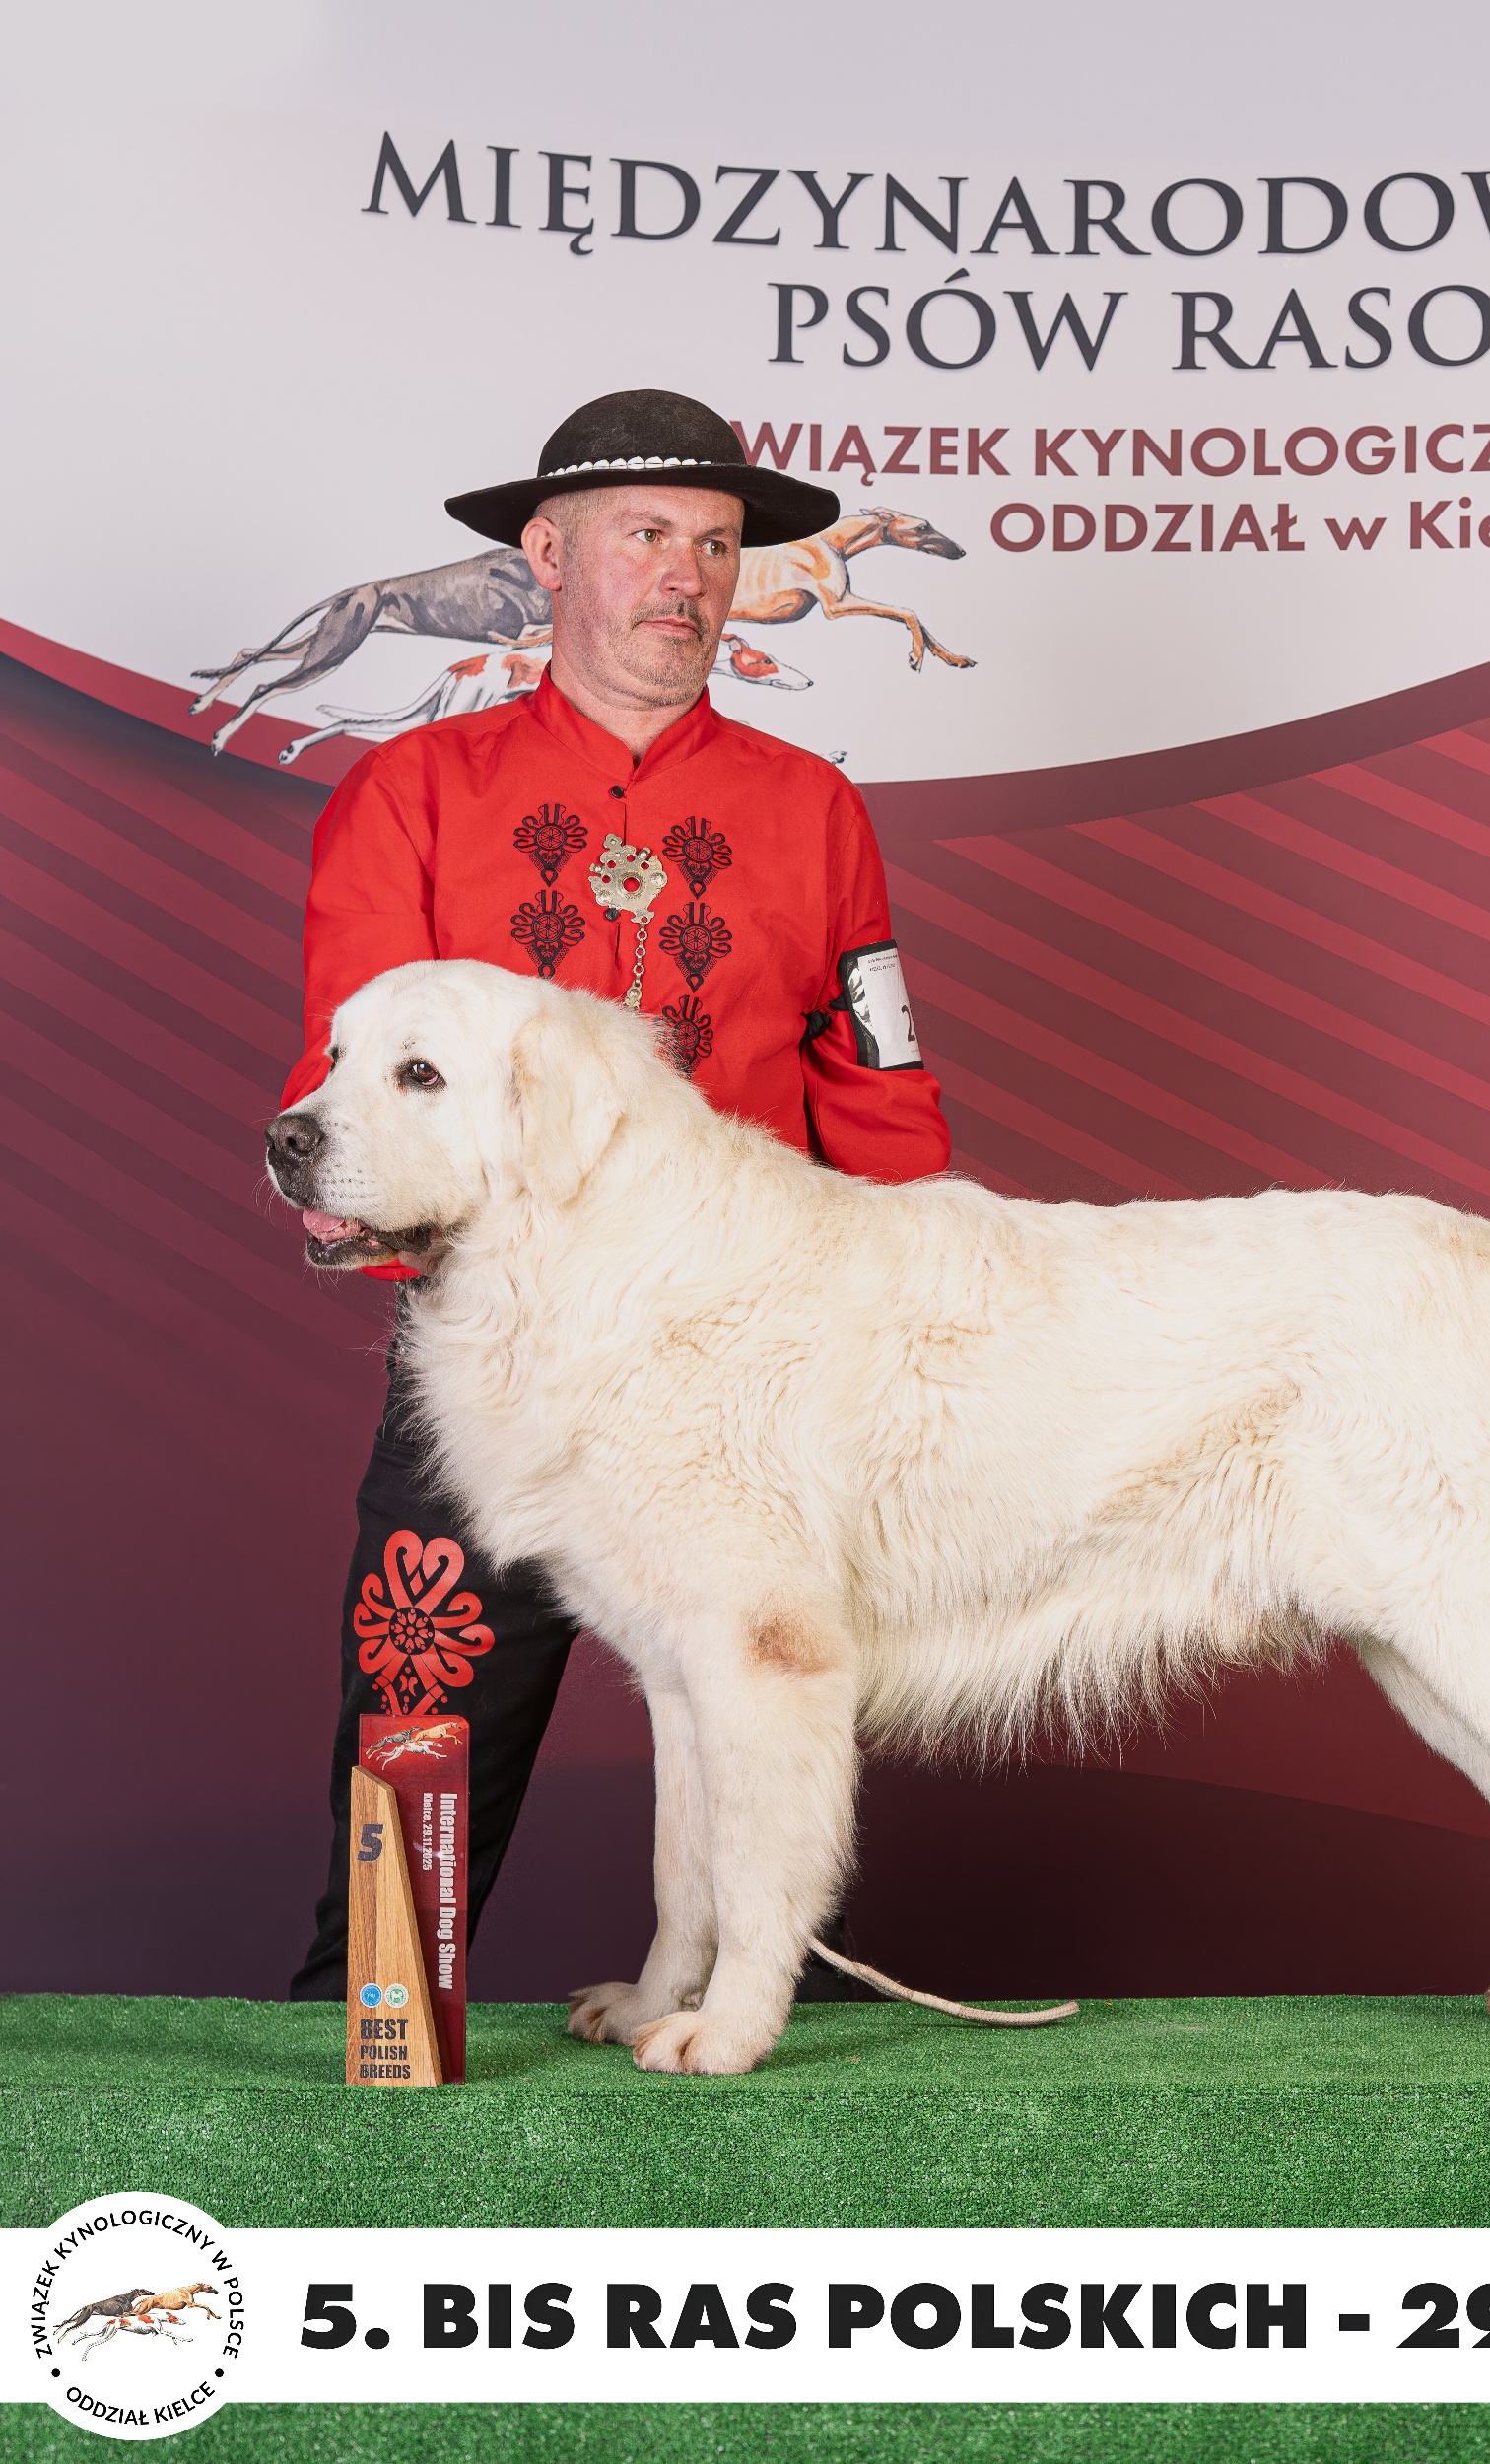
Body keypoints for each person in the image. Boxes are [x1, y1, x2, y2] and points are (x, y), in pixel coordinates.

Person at [281, 389, 951, 2003]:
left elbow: (876, 1076)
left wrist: (926, 1309)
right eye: (645, 535)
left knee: (752, 1693)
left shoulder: (816, 807)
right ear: (547, 555)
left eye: (716, 547)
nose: (686, 577)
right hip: (499, 1354)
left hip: (752, 1365)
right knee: (421, 1726)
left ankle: (727, 2003)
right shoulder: (413, 791)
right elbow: (356, 1084)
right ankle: (372, 2029)